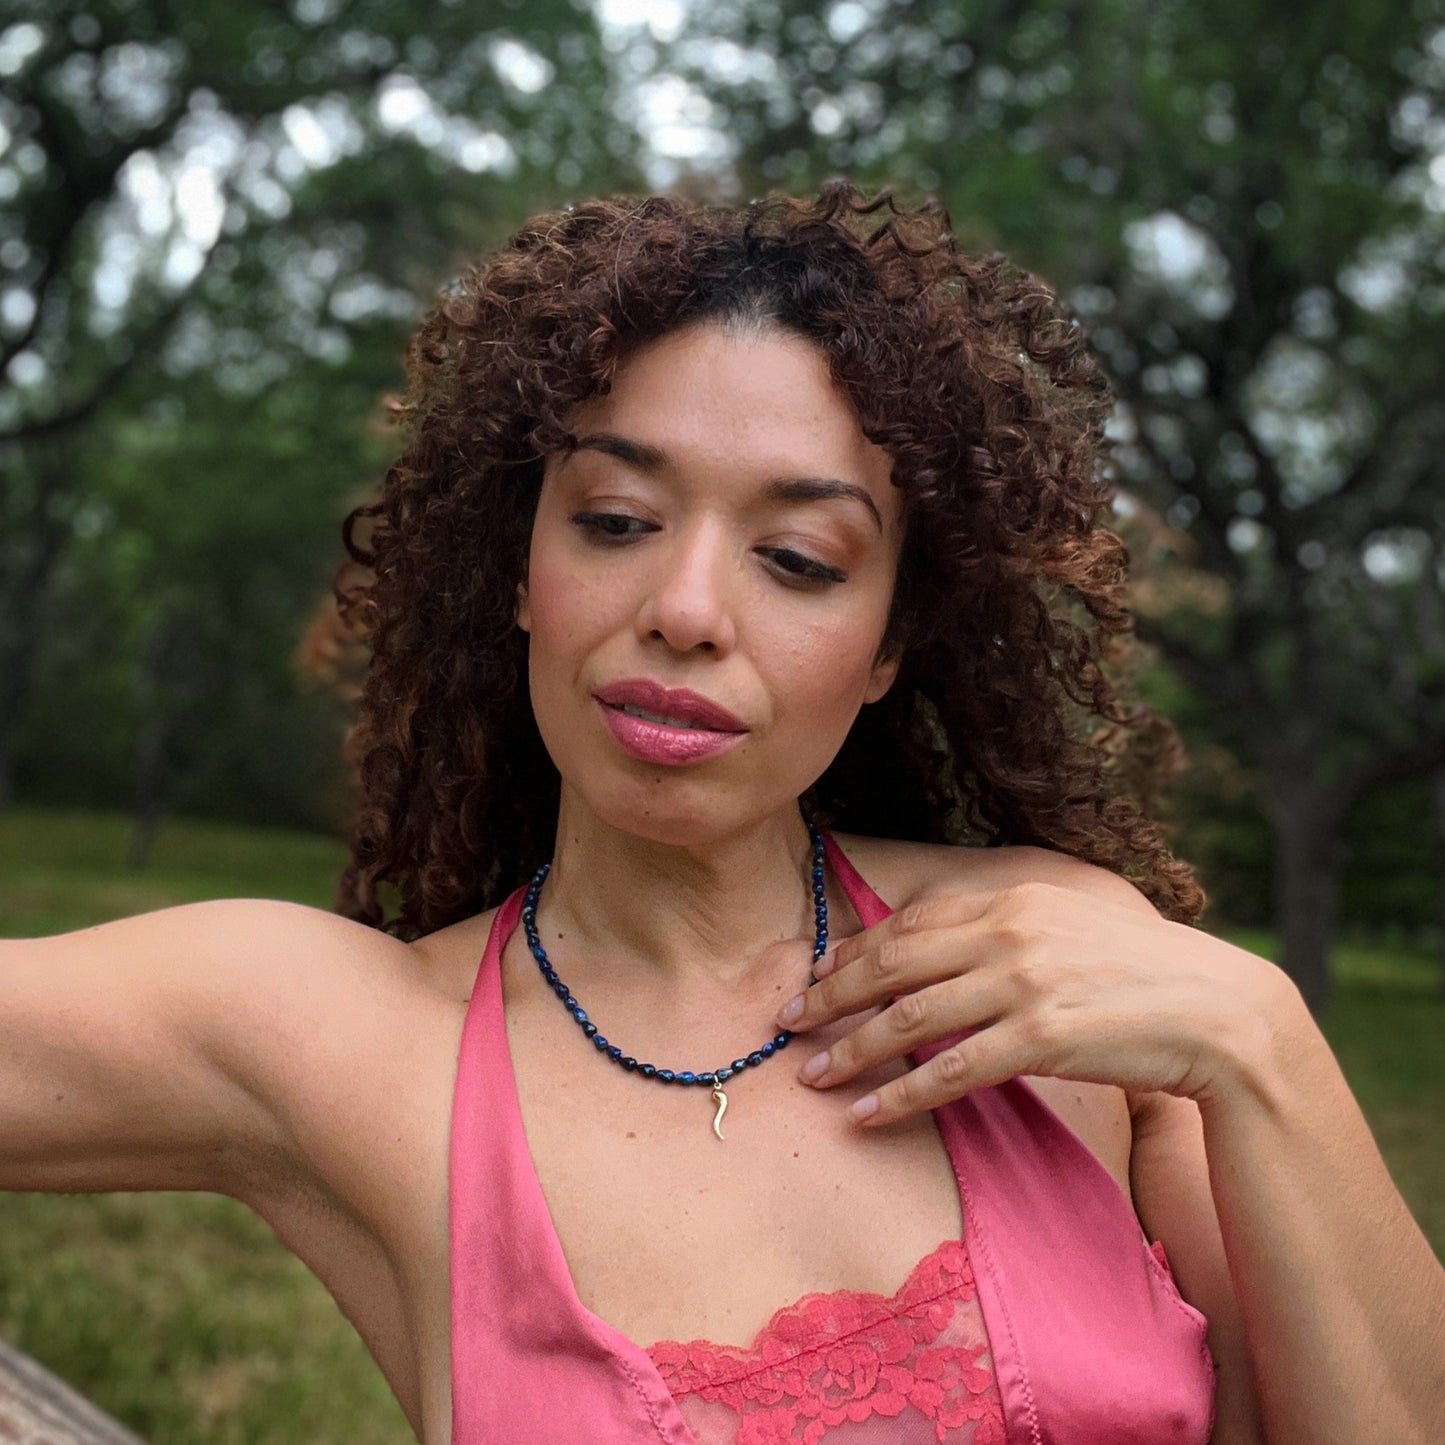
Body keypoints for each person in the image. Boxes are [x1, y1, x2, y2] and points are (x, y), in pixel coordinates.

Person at [2, 184, 1441, 1445]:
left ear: (887, 645)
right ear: (519, 569)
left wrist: (1259, 1043)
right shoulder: (344, 1043)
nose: (683, 610)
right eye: (616, 521)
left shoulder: (1063, 967)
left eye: (799, 558)